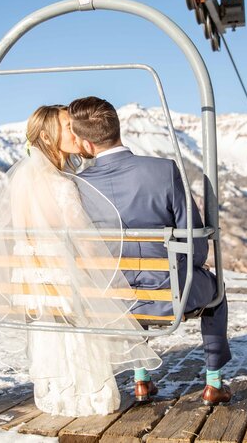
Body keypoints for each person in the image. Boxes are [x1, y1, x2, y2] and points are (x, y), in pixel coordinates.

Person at [0, 104, 161, 417]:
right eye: (67, 125)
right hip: (70, 292)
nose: (76, 130)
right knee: (90, 299)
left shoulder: (21, 179)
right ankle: (88, 394)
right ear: (50, 136)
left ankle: (57, 392)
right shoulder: (61, 184)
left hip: (37, 293)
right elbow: (85, 244)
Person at [68, 96, 233, 406]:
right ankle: (214, 381)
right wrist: (192, 267)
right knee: (216, 291)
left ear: (87, 145)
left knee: (128, 285)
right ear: (117, 128)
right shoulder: (163, 171)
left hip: (110, 300)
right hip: (170, 294)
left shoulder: (77, 184)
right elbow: (196, 245)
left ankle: (142, 379)